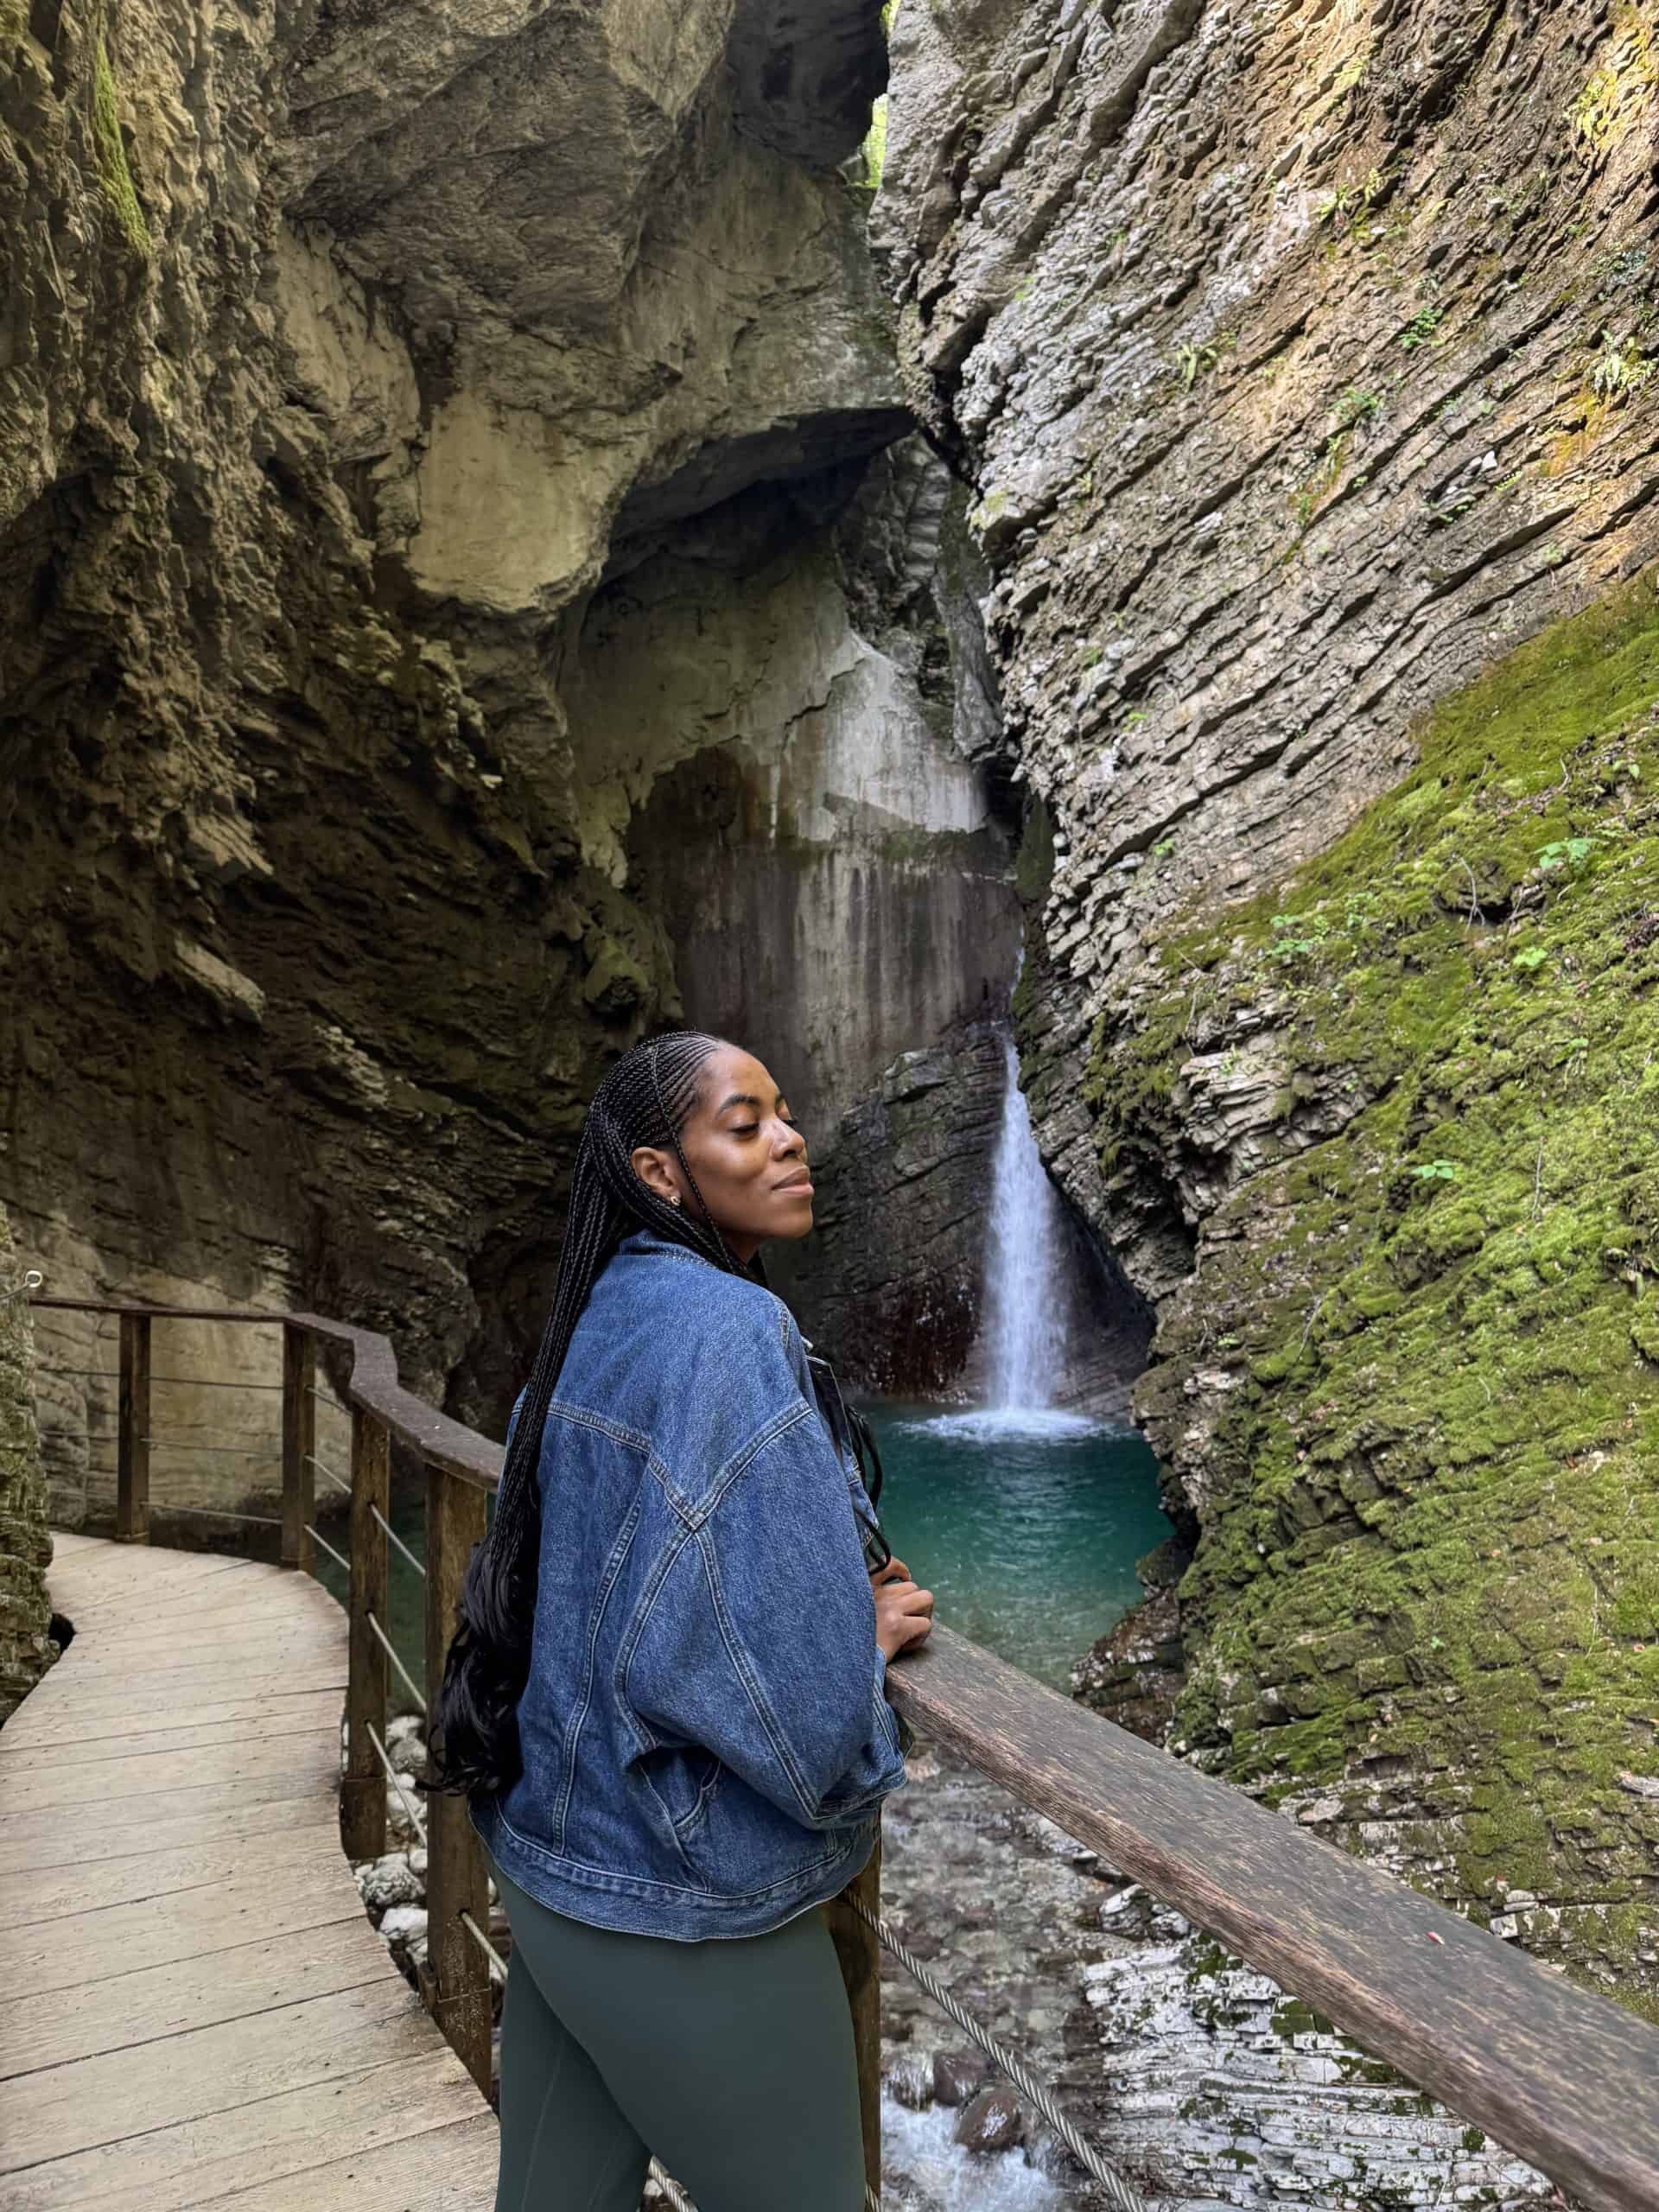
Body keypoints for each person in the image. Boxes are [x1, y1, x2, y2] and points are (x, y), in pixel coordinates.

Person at [425, 1029, 936, 2212]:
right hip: (684, 1918)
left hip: (555, 1860)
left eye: (786, 1114)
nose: (792, 1138)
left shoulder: (601, 1309)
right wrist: (855, 1649)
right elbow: (806, 1728)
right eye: (744, 1122)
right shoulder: (729, 1330)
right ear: (661, 1174)